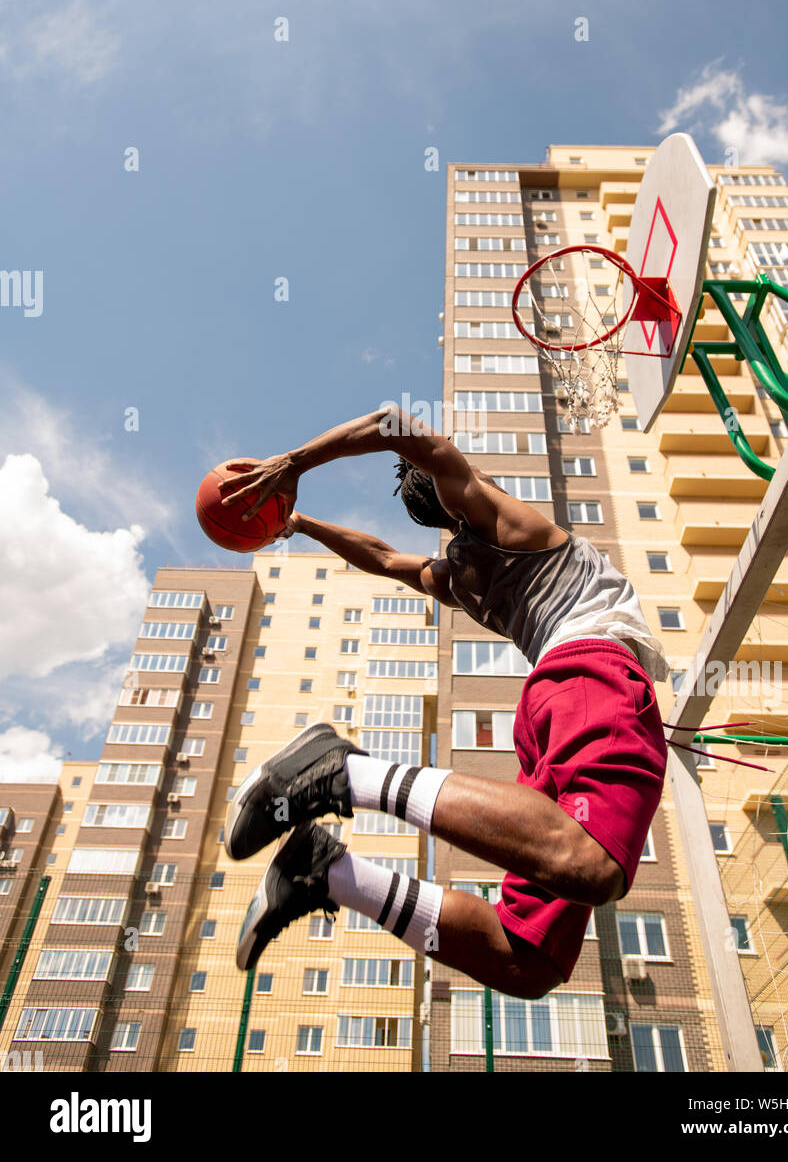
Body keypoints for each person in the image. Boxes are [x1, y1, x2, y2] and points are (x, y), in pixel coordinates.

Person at [222, 406, 668, 999]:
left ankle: (328, 873)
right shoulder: (503, 519)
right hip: (593, 673)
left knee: (528, 961)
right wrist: (293, 463)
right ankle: (345, 771)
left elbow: (381, 558)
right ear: (453, 485)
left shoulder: (454, 577)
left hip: (553, 702)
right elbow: (392, 421)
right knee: (591, 861)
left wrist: (300, 524)